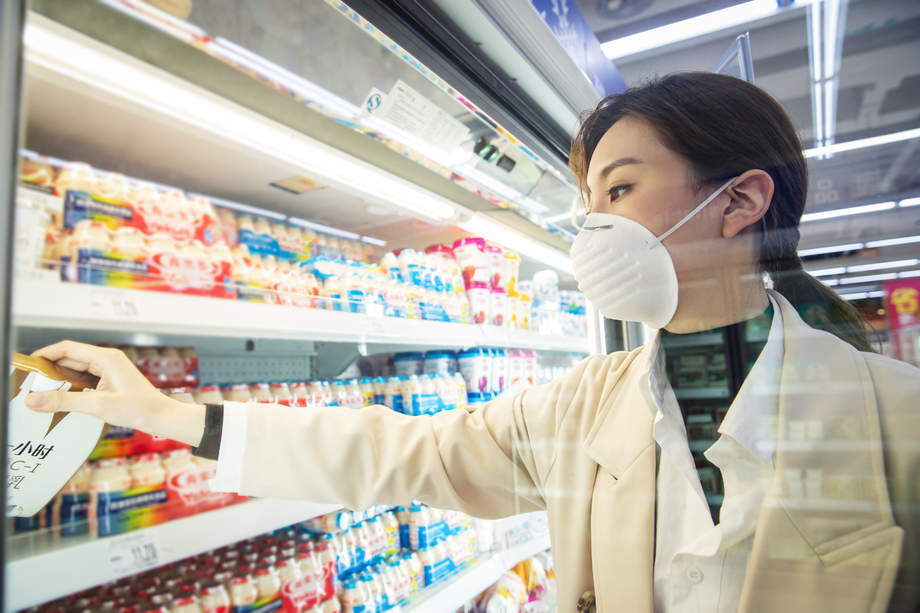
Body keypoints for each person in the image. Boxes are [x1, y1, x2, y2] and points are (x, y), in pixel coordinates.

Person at [24, 73, 919, 613]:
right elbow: (402, 451)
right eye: (586, 205)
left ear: (740, 200)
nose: (590, 232)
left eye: (619, 190)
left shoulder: (898, 420)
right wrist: (167, 413)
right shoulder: (582, 405)